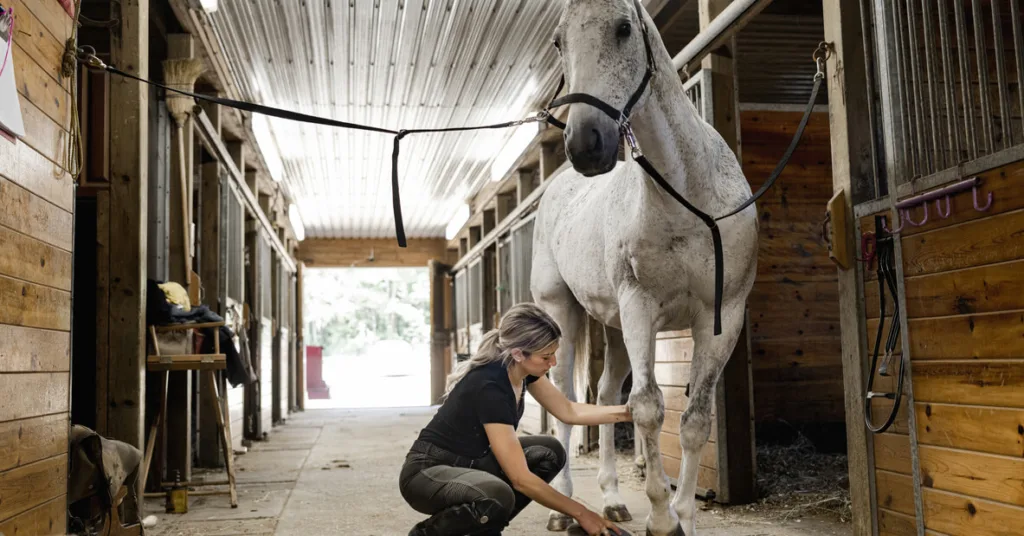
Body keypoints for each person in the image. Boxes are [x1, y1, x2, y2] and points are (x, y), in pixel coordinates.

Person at [399, 303, 632, 536]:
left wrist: (628, 412)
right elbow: (521, 479)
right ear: (518, 353)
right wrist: (582, 513)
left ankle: (486, 527)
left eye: (553, 354)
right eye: (546, 357)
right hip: (427, 474)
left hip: (470, 465)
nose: (553, 363)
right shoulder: (491, 387)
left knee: (548, 451)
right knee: (498, 494)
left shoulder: (522, 370)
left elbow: (569, 411)